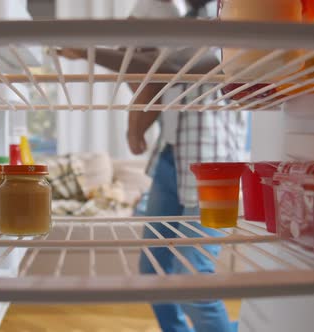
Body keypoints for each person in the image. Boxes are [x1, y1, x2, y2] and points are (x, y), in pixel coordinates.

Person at [59, 1, 247, 331]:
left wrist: (87, 51)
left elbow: (160, 67)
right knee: (152, 273)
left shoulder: (219, 31)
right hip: (168, 162)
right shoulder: (175, 37)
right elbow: (154, 78)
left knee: (193, 282)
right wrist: (136, 126)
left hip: (216, 171)